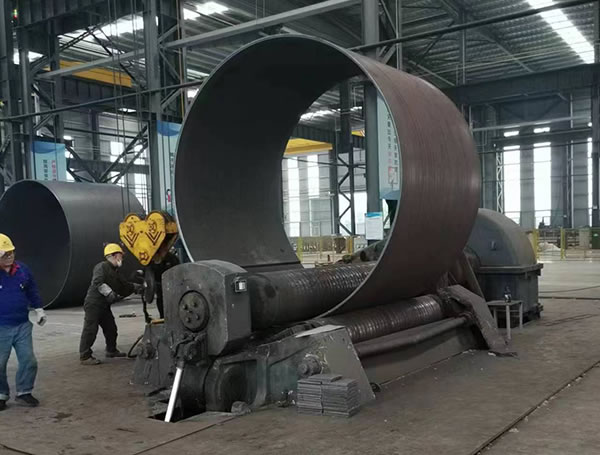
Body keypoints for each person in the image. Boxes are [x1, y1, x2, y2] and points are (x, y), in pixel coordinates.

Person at [0, 233, 46, 411]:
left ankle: (24, 392)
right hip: (1, 327)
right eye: (5, 253)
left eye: (11, 252)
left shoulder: (22, 270)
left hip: (22, 325)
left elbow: (32, 289)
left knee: (29, 360)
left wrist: (39, 309)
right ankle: (1, 395)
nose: (9, 256)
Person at [79, 243, 140, 365]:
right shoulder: (101, 266)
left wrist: (135, 287)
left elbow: (124, 287)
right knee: (90, 329)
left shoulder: (116, 272)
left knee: (111, 328)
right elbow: (98, 282)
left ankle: (111, 351)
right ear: (114, 255)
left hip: (104, 305)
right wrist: (109, 293)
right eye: (120, 255)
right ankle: (85, 356)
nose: (122, 258)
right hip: (93, 304)